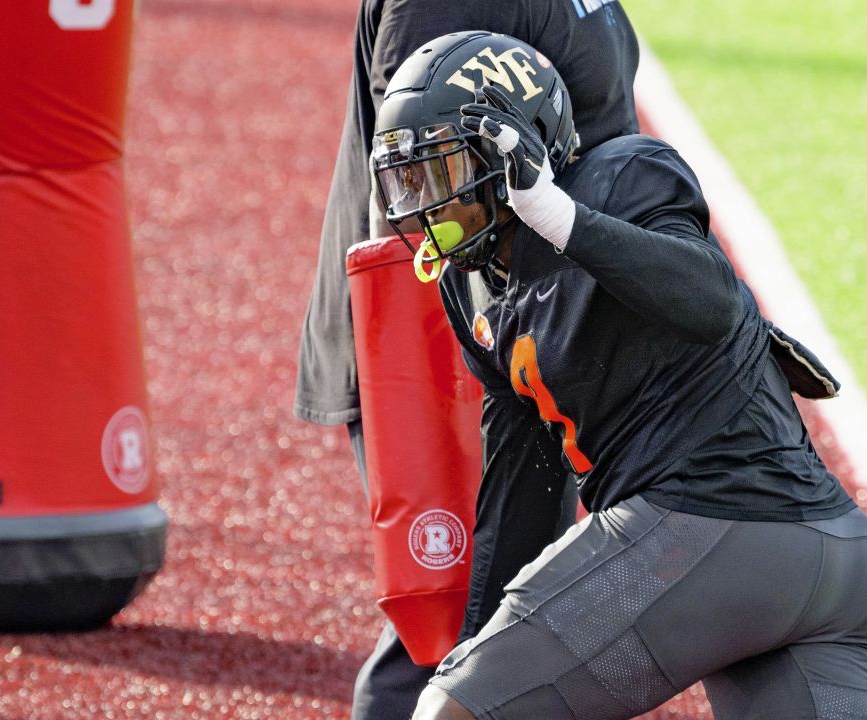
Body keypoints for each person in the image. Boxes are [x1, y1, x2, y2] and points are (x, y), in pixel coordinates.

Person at [368, 32, 867, 720]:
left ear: (511, 151)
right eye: (408, 181)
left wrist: (562, 220)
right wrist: (478, 647)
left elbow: (709, 300)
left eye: (441, 175)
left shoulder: (623, 175)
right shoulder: (476, 289)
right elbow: (523, 488)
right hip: (828, 558)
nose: (426, 206)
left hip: (708, 526)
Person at [295, 3, 642, 718]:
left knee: (505, 634)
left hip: (534, 348)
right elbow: (413, 187)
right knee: (459, 640)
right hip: (455, 360)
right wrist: (460, 371)